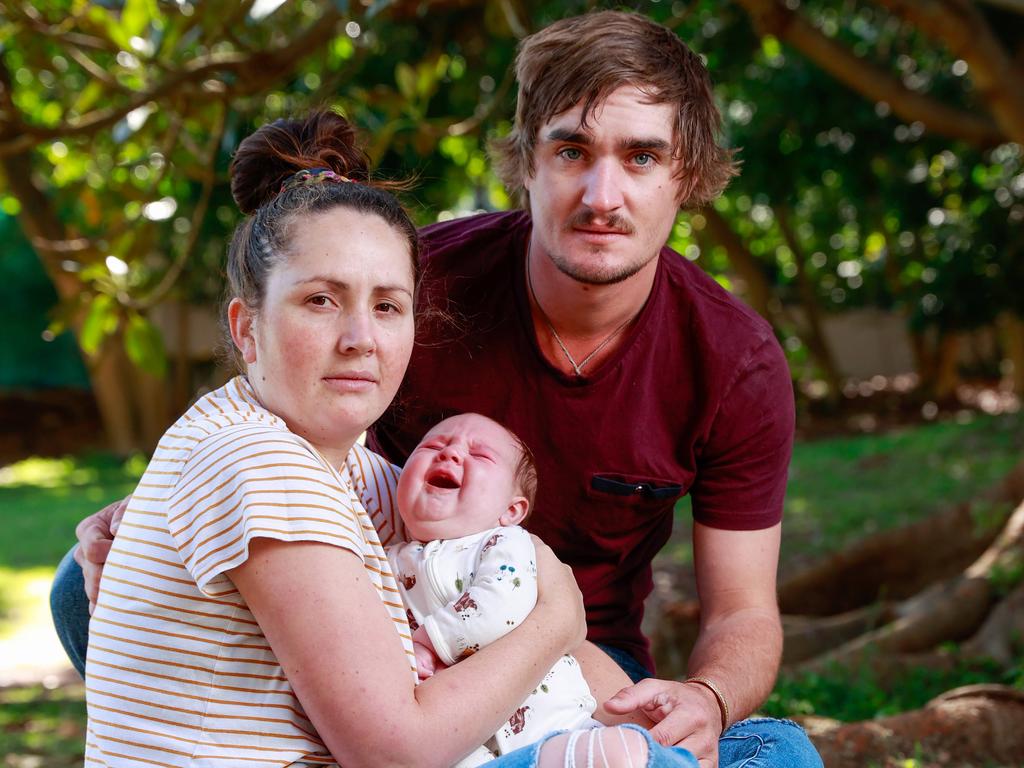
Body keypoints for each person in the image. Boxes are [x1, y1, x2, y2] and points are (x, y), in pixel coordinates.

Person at [55, 10, 823, 768]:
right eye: (572, 150)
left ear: (686, 172)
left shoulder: (734, 360)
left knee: (774, 749)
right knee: (78, 586)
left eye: (642, 158)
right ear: (527, 162)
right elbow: (280, 405)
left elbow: (745, 611)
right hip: (389, 623)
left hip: (576, 649)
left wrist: (708, 698)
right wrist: (164, 514)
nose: (601, 194)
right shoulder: (417, 286)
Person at [390, 412, 602, 766]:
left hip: (556, 729)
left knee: (632, 756)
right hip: (467, 748)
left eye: (480, 455)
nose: (451, 453)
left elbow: (502, 604)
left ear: (511, 510)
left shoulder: (505, 543)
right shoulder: (384, 559)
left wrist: (427, 643)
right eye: (432, 446)